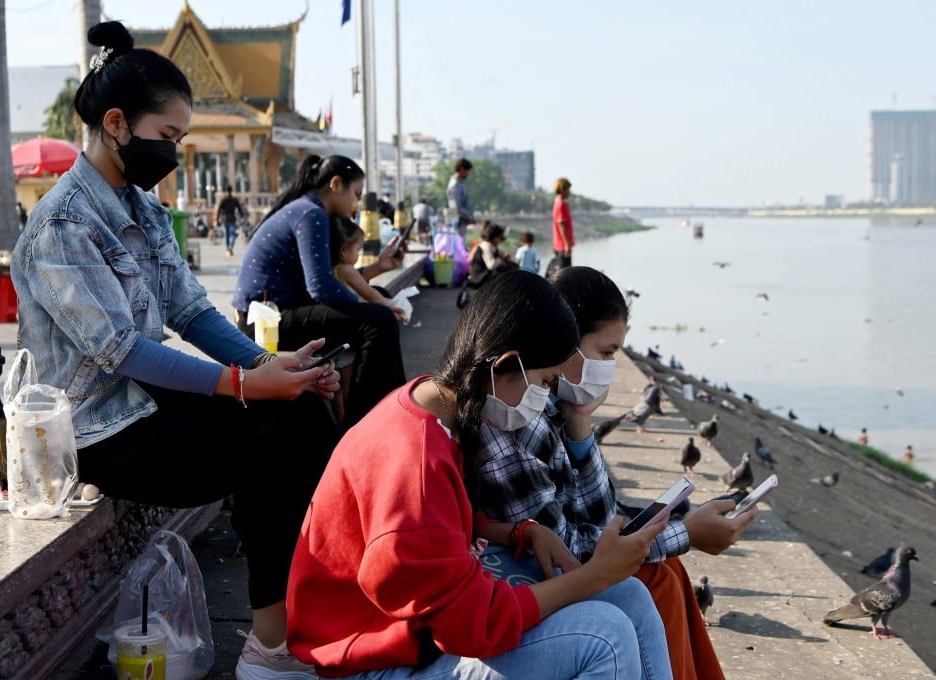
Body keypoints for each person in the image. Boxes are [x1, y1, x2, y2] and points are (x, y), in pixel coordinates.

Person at [9, 21, 342, 679]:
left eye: (182, 139)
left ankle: (296, 619)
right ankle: (271, 647)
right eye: (168, 137)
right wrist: (246, 388)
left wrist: (264, 364)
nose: (176, 152)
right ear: (116, 123)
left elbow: (188, 310)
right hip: (93, 431)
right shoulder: (63, 225)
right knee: (275, 435)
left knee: (303, 413)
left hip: (145, 407)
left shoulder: (143, 208)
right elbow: (123, 351)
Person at [287, 269, 672, 680]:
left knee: (627, 594)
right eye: (544, 381)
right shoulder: (414, 461)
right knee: (605, 638)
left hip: (416, 627)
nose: (544, 396)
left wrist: (516, 531)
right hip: (373, 660)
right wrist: (593, 576)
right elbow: (470, 624)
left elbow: (438, 535)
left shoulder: (438, 405)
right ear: (507, 364)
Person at [476, 266, 757, 680]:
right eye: (607, 353)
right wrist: (686, 534)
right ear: (566, 343)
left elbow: (600, 518)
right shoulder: (516, 423)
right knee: (655, 579)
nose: (610, 366)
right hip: (524, 575)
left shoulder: (551, 409)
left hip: (547, 561)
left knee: (667, 571)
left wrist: (581, 423)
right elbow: (569, 556)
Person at [232, 154, 407, 430]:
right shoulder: (311, 214)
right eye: (355, 194)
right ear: (336, 184)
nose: (356, 204)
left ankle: (375, 413)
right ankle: (367, 425)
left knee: (379, 299)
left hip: (279, 311)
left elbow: (331, 280)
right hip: (265, 320)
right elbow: (322, 288)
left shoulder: (309, 210)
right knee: (378, 321)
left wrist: (378, 268)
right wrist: (368, 303)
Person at [329, 216, 405, 321]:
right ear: (343, 250)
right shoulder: (347, 270)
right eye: (358, 250)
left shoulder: (332, 270)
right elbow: (370, 294)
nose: (359, 255)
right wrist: (388, 307)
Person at [467, 219, 517, 287]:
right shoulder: (486, 247)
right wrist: (501, 259)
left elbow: (500, 254)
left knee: (511, 267)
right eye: (499, 237)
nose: (500, 240)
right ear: (495, 237)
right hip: (479, 277)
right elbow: (491, 265)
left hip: (484, 275)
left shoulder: (491, 245)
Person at [447, 157, 475, 236]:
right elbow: (455, 207)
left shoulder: (460, 184)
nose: (468, 174)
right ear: (462, 169)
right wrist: (469, 217)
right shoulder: (455, 185)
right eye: (467, 171)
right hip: (457, 222)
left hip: (460, 221)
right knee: (457, 245)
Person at [552, 177, 575, 270]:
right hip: (563, 245)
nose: (569, 192)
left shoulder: (557, 203)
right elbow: (561, 224)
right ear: (562, 190)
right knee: (565, 272)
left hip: (559, 244)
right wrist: (567, 245)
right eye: (568, 189)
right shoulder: (561, 204)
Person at [217, 184, 243, 256]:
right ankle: (231, 246)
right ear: (231, 191)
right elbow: (239, 209)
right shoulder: (234, 200)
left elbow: (219, 210)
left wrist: (217, 220)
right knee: (232, 234)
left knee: (227, 234)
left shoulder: (223, 200)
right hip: (232, 218)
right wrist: (241, 216)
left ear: (226, 191)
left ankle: (228, 248)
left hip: (225, 219)